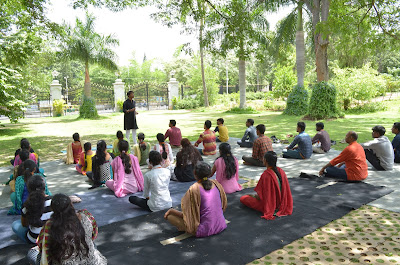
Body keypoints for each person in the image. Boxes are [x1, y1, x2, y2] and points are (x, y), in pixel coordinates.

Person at [27, 194, 107, 265]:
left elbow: (42, 246)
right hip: (91, 261)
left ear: (53, 209)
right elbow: (94, 234)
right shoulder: (86, 215)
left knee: (32, 253)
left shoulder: (50, 226)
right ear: (71, 205)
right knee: (91, 244)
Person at [164, 162, 227, 237]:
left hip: (204, 230)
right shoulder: (216, 183)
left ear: (194, 173)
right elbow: (222, 205)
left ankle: (183, 228)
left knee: (170, 217)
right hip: (220, 224)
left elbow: (189, 215)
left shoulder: (194, 189)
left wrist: (172, 211)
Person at [240, 151, 293, 220]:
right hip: (282, 204)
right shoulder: (281, 171)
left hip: (270, 205)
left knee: (244, 198)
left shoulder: (266, 175)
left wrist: (253, 196)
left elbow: (260, 197)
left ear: (265, 161)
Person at [12, 174, 53, 244]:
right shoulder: (53, 201)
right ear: (44, 187)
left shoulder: (26, 205)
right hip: (53, 238)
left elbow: (24, 224)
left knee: (15, 224)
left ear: (29, 189)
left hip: (34, 239)